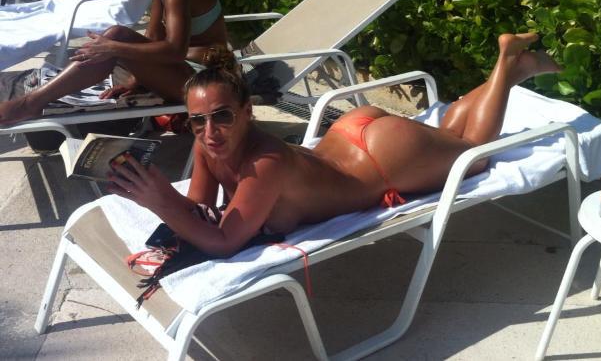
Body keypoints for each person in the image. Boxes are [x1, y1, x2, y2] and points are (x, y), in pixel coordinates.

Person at [106, 32, 561, 258]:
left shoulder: (265, 163)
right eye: (198, 120)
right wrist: (152, 190)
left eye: (222, 116)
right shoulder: (207, 146)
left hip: (381, 157)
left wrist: (160, 200)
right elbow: (202, 211)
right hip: (348, 137)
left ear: (247, 112)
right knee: (450, 136)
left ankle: (507, 65)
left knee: (473, 153)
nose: (210, 131)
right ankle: (511, 71)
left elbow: (223, 241)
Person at [0, 0, 228, 125]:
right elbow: (153, 39)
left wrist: (113, 48)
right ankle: (34, 101)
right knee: (116, 36)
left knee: (116, 38)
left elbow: (175, 51)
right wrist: (136, 79)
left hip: (211, 79)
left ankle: (30, 103)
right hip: (187, 70)